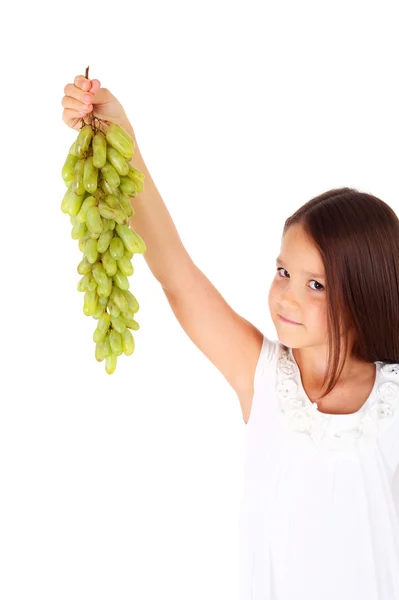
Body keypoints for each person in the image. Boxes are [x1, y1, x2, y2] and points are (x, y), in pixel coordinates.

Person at [62, 74, 399, 599]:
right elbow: (176, 274)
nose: (287, 296)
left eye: (316, 284)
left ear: (367, 293)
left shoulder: (392, 402)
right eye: (283, 271)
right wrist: (120, 133)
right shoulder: (263, 379)